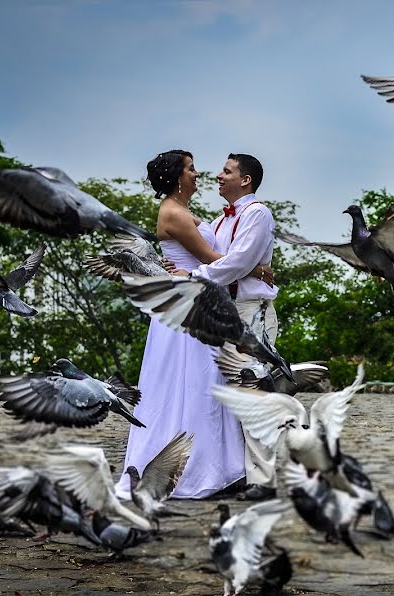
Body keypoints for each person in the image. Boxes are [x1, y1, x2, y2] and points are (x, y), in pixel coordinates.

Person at [114, 150, 271, 500]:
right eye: (191, 169)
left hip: (197, 302)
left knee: (202, 385)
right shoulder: (174, 213)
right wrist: (260, 269)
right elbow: (217, 260)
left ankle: (221, 466)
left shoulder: (191, 213)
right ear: (177, 177)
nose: (199, 174)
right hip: (186, 308)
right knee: (189, 387)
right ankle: (197, 469)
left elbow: (226, 255)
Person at [167, 153, 280, 502]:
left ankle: (265, 480)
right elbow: (221, 259)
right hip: (224, 312)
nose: (218, 175)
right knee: (233, 393)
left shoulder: (257, 213)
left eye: (226, 171)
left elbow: (235, 263)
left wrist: (191, 276)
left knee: (252, 391)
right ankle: (239, 472)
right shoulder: (219, 222)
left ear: (245, 180)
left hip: (250, 312)